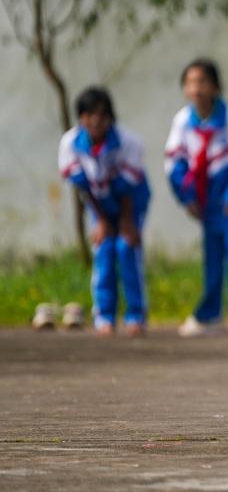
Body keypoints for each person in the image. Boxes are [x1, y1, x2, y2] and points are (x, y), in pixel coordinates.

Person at [165, 59, 228, 338]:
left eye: (202, 82)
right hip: (206, 198)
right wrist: (187, 197)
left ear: (215, 87)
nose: (196, 89)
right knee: (212, 257)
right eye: (190, 83)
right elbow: (174, 163)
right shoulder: (183, 122)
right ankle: (210, 314)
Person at [58, 87, 151, 337]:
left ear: (110, 117)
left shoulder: (128, 142)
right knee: (104, 251)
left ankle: (136, 315)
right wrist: (100, 220)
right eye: (89, 114)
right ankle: (104, 315)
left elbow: (128, 187)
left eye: (101, 114)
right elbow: (82, 187)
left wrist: (127, 223)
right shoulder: (70, 144)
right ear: (81, 117)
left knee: (126, 248)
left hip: (131, 202)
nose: (96, 121)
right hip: (98, 204)